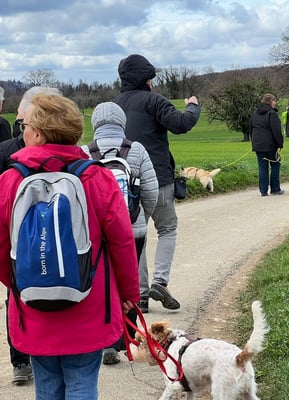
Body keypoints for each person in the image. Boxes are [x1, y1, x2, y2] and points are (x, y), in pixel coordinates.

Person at [0, 93, 139, 399]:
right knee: (82, 383)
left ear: (38, 133)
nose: (23, 131)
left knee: (47, 385)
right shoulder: (97, 178)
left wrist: (20, 281)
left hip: (33, 304)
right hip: (88, 302)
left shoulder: (9, 182)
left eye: (25, 125)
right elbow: (122, 241)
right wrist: (129, 293)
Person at [113, 54, 201, 312]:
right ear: (146, 79)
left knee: (136, 235)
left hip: (127, 183)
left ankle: (140, 294)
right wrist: (193, 106)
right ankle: (160, 282)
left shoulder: (114, 105)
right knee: (167, 229)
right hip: (159, 177)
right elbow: (182, 124)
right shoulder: (154, 101)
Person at [82, 102, 159, 364]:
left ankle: (105, 344)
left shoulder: (85, 152)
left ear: (95, 124)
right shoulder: (136, 149)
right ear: (122, 122)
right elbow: (151, 191)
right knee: (129, 284)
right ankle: (128, 340)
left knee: (102, 285)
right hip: (132, 230)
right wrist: (142, 219)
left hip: (95, 235)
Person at [0, 86, 62, 386]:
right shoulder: (72, 156)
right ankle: (33, 358)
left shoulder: (5, 151)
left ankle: (24, 360)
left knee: (20, 299)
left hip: (20, 243)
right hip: (53, 241)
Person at [250, 93, 284, 196]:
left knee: (262, 167)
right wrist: (280, 143)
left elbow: (251, 128)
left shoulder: (255, 113)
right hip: (271, 145)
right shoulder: (272, 113)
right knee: (275, 165)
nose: (275, 103)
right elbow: (276, 130)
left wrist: (254, 142)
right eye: (274, 101)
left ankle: (263, 190)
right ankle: (275, 189)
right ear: (270, 101)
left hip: (258, 145)